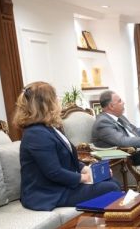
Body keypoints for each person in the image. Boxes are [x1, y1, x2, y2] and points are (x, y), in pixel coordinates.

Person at [15, 82, 120, 211]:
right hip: (47, 193)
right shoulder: (36, 134)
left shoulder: (49, 127)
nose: (58, 101)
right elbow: (54, 172)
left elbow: (66, 158)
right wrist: (85, 178)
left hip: (60, 186)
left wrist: (87, 170)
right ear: (46, 104)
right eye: (55, 98)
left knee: (112, 181)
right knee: (110, 188)